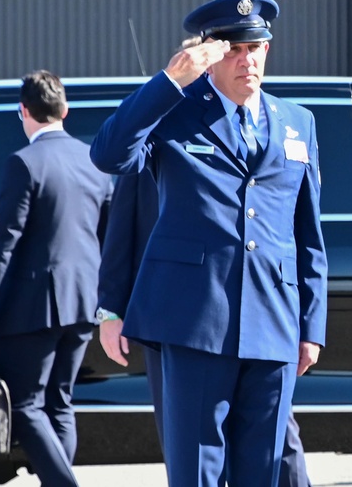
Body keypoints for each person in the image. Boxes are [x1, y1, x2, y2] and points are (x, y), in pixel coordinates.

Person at [90, 0, 328, 487]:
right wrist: (169, 83)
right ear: (211, 53)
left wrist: (312, 324)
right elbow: (109, 155)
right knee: (198, 471)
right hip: (195, 321)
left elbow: (307, 231)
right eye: (234, 48)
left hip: (274, 323)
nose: (247, 59)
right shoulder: (174, 114)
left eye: (256, 47)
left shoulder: (297, 122)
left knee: (263, 471)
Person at [97, 167, 314, 487]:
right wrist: (110, 310)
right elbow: (123, 222)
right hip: (177, 319)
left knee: (278, 447)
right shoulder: (160, 123)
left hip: (256, 314)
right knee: (191, 451)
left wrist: (309, 325)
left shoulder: (268, 127)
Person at [0, 70, 112, 486]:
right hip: (84, 305)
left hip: (33, 310)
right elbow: (107, 236)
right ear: (65, 111)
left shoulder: (24, 163)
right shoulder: (95, 162)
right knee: (59, 403)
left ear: (23, 111)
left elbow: (2, 247)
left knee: (26, 406)